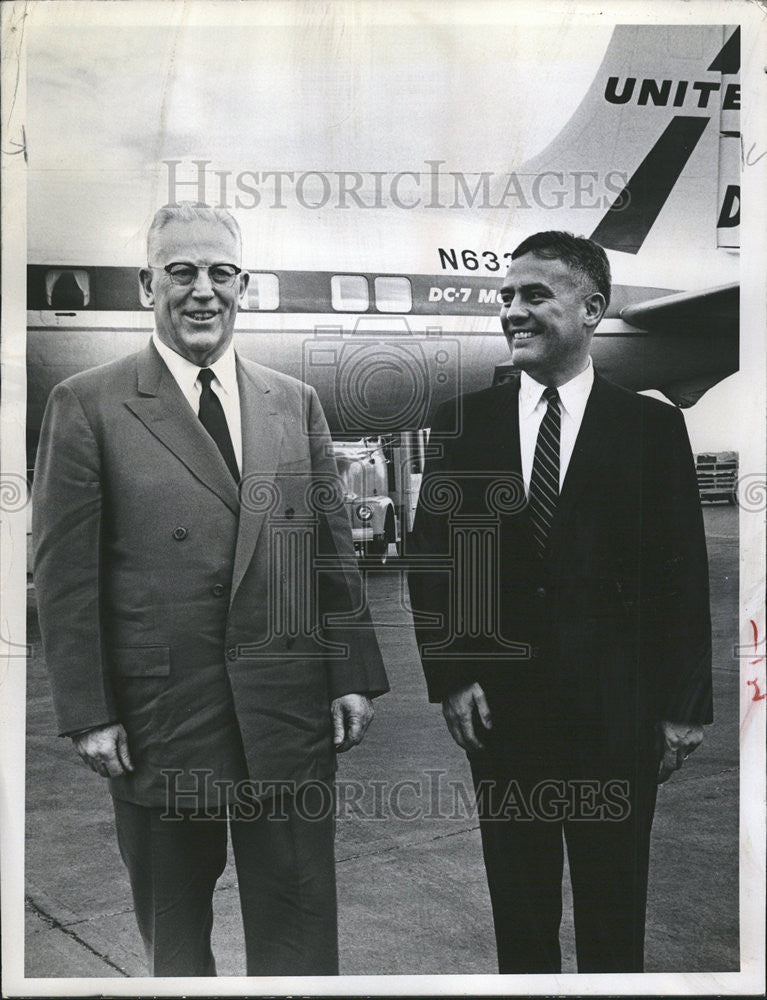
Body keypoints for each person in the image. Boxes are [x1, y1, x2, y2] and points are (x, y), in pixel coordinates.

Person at [32, 201, 389, 977]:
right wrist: (89, 713)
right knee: (175, 931)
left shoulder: (293, 402)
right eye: (181, 272)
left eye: (221, 273)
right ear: (145, 285)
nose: (202, 291)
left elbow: (330, 552)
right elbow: (65, 576)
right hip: (161, 717)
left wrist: (351, 677)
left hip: (285, 713)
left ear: (243, 285)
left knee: (297, 924)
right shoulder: (88, 404)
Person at [408, 231, 712, 973]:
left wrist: (684, 706)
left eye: (534, 295)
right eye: (506, 297)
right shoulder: (463, 424)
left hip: (618, 714)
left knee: (614, 920)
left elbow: (681, 575)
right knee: (521, 922)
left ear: (591, 309)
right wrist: (455, 675)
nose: (512, 311)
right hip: (503, 720)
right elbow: (437, 561)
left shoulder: (649, 428)